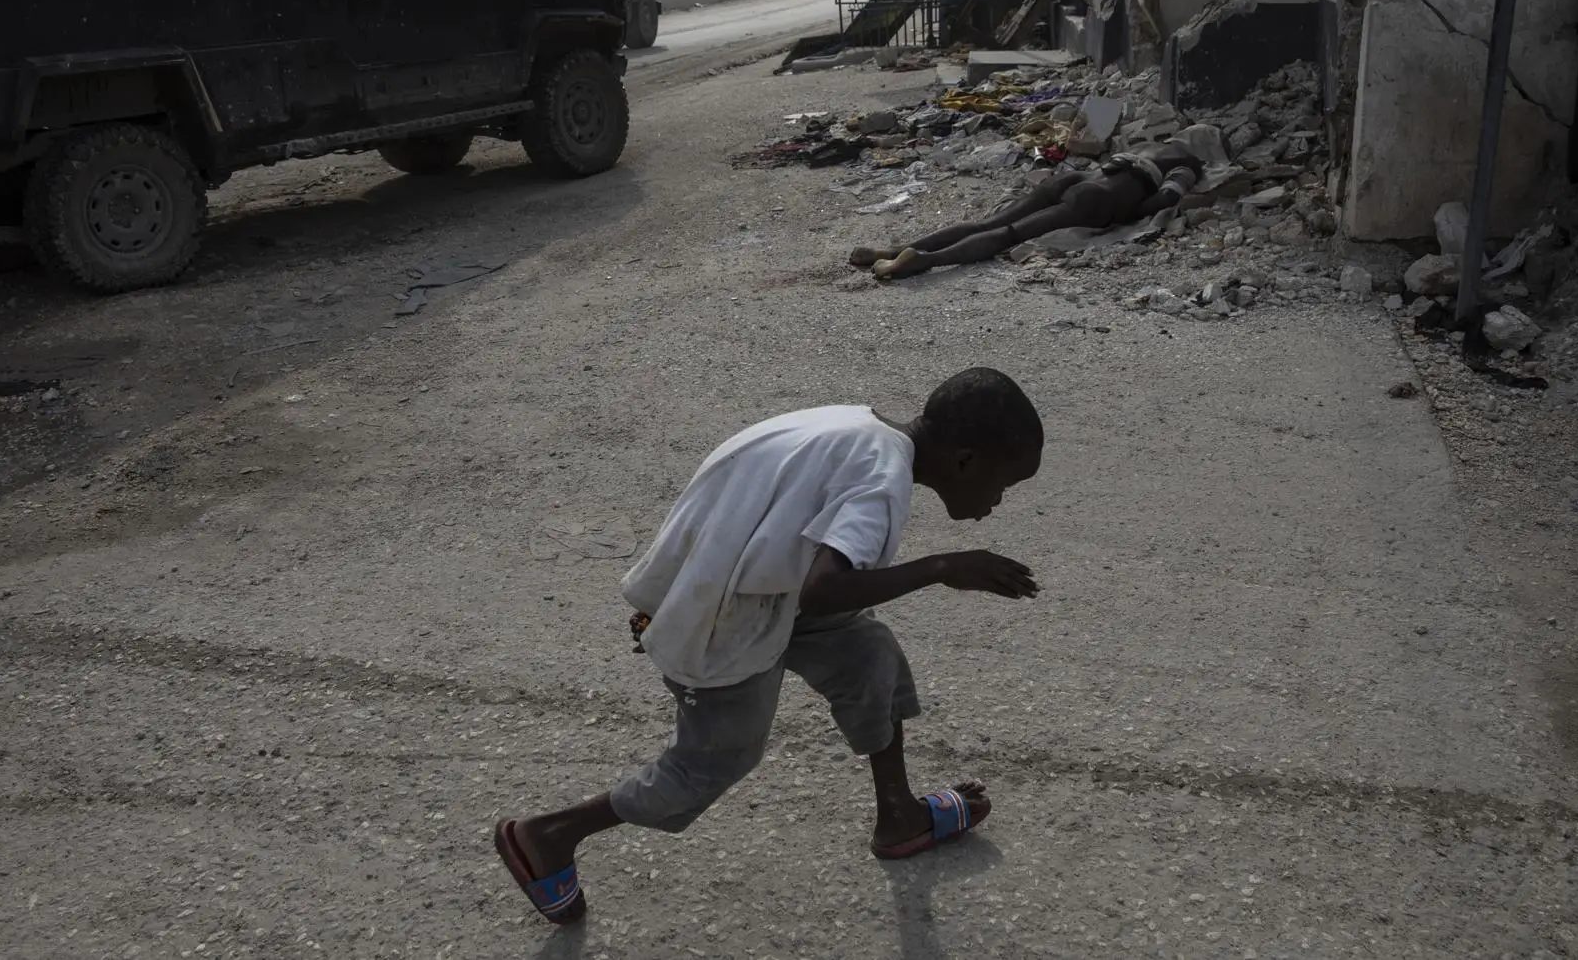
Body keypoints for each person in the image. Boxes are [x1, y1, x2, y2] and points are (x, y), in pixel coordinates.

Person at [494, 368, 1045, 924]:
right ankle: (547, 834)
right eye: (1002, 485)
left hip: (737, 576)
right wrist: (944, 566)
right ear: (965, 460)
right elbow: (826, 591)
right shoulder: (882, 487)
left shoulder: (860, 425)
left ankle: (899, 814)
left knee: (866, 652)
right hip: (719, 611)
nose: (997, 500)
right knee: (714, 760)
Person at [851, 140, 1203, 281]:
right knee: (1011, 235)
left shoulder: (1153, 143)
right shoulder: (1187, 164)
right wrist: (1124, 213)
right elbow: (1159, 203)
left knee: (992, 221)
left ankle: (890, 251)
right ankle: (923, 261)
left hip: (1079, 177)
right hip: (1097, 199)